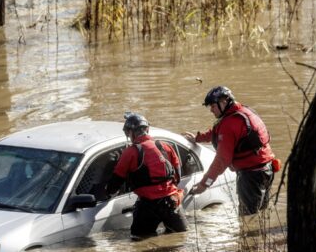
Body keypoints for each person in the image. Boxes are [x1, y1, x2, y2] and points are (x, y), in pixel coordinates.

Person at [184, 86, 277, 216]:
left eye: (213, 106)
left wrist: (204, 185)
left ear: (224, 102)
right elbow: (219, 131)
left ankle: (249, 236)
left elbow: (221, 161)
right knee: (261, 214)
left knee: (247, 218)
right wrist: (198, 138)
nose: (211, 110)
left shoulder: (229, 123)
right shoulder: (244, 112)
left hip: (250, 176)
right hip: (267, 169)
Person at [106, 112, 188, 240]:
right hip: (171, 202)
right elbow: (177, 174)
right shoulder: (165, 146)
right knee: (180, 239)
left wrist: (107, 193)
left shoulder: (130, 152)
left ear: (130, 133)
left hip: (148, 206)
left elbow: (117, 179)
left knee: (139, 240)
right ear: (147, 129)